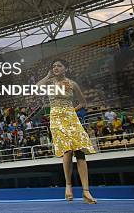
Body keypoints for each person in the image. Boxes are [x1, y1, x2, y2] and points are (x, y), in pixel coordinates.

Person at [36, 59, 97, 204]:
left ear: (65, 68)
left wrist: (71, 111)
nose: (56, 68)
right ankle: (68, 186)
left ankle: (86, 191)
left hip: (71, 117)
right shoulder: (50, 83)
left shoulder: (72, 84)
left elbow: (83, 103)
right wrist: (47, 76)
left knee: (80, 151)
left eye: (59, 66)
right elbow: (36, 88)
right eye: (53, 66)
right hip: (56, 118)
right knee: (67, 150)